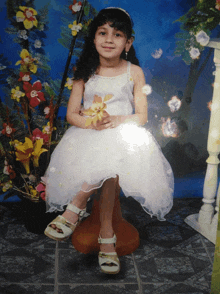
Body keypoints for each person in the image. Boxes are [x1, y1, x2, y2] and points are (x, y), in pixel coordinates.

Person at [44, 7, 174, 274]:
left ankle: (76, 206)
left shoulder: (133, 71)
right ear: (93, 38)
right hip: (89, 133)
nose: (109, 39)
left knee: (115, 156)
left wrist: (116, 121)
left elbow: (141, 116)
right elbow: (71, 114)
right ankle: (106, 237)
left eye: (117, 34)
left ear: (128, 43)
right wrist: (91, 123)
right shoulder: (85, 71)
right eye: (103, 32)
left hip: (124, 131)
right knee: (109, 163)